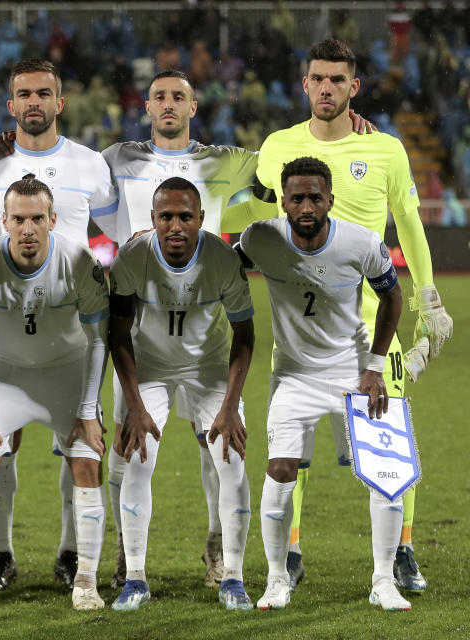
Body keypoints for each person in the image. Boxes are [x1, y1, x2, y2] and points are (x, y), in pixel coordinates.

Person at [101, 67, 374, 588]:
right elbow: (56, 172)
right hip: (144, 324)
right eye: (158, 96)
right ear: (146, 105)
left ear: (194, 106)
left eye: (178, 97)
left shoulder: (225, 160)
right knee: (128, 446)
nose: (167, 105)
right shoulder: (117, 158)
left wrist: (338, 126)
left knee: (216, 448)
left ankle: (217, 550)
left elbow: (293, 165)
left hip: (203, 320)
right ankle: (123, 554)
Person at [255, 39, 453, 592]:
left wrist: (427, 297)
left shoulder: (386, 149)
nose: (326, 88)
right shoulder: (276, 148)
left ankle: (403, 549)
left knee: (387, 445)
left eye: (337, 80)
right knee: (292, 449)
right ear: (304, 84)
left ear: (353, 88)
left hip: (373, 334)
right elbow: (251, 201)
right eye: (317, 78)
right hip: (298, 331)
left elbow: (409, 224)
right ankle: (289, 554)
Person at [0, 58, 120, 592]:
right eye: (23, 94)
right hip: (5, 337)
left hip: (70, 327)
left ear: (60, 102)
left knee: (79, 450)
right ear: (10, 105)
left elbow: (119, 228)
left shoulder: (90, 165)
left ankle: (69, 554)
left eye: (44, 93)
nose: (33, 102)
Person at [238, 156, 410, 611]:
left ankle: (383, 580)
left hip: (354, 372)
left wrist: (374, 366)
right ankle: (276, 580)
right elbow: (221, 265)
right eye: (297, 197)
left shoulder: (361, 242)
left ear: (331, 198)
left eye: (316, 196)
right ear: (283, 201)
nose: (307, 205)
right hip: (293, 376)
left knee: (384, 474)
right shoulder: (260, 238)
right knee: (280, 472)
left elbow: (392, 298)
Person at [0, 175, 109, 611]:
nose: (27, 229)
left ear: (53, 220)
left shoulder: (80, 262)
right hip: (3, 374)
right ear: (3, 220)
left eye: (36, 218)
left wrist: (87, 410)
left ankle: (85, 581)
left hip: (67, 371)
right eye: (18, 219)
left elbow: (100, 339)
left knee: (87, 462)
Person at [108, 177, 255, 611]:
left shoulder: (222, 260)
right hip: (148, 366)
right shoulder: (133, 257)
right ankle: (134, 577)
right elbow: (117, 335)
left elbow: (245, 335)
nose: (175, 226)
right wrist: (133, 405)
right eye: (166, 216)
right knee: (138, 458)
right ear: (152, 219)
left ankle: (234, 577)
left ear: (201, 220)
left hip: (207, 369)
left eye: (185, 217)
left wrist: (230, 407)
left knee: (230, 459)